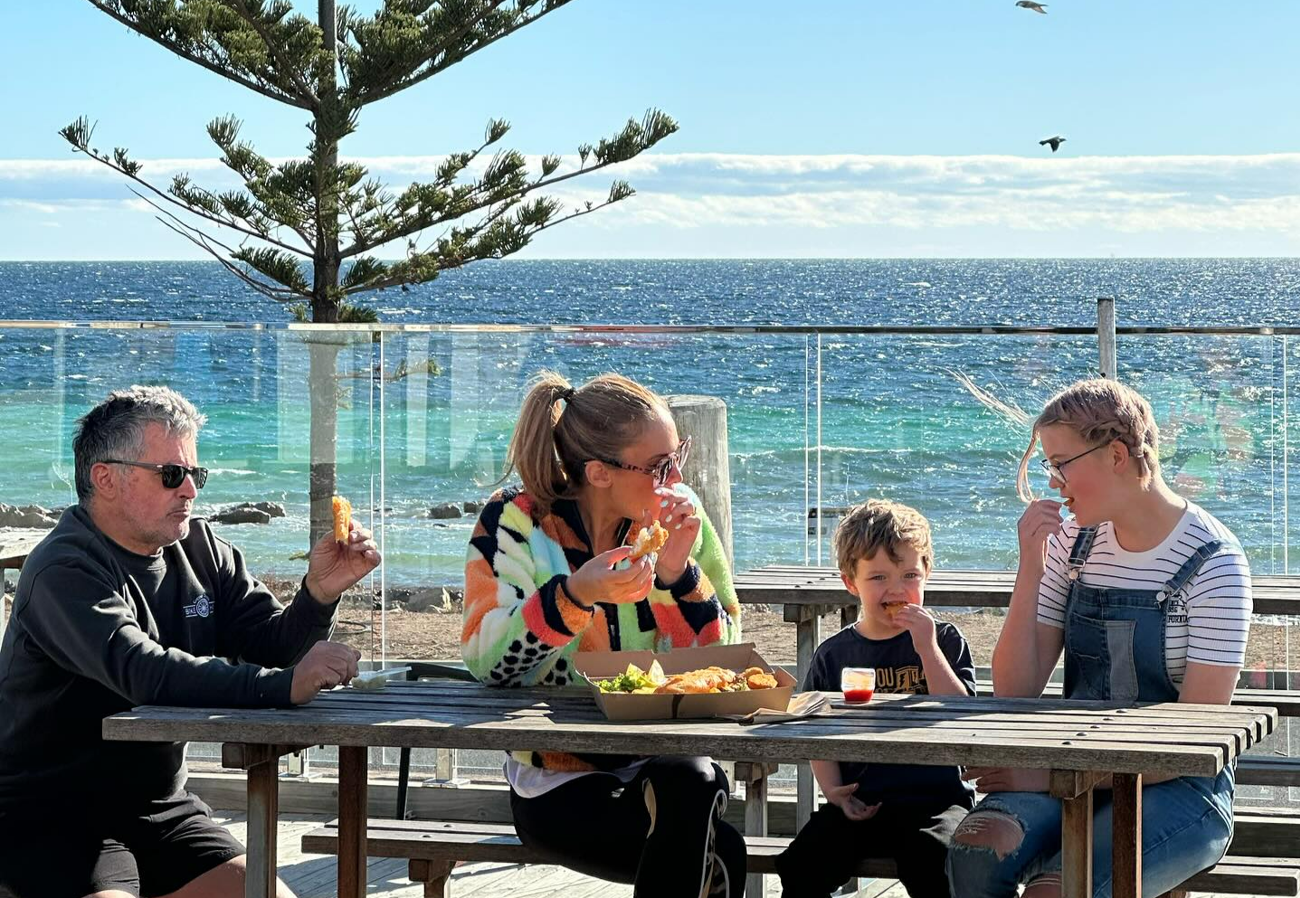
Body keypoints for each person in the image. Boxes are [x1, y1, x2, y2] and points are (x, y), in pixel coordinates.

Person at [0, 385, 379, 898]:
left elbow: (268, 645)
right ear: (105, 478)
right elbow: (145, 671)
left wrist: (317, 595)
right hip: (51, 811)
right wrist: (282, 686)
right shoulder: (64, 569)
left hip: (159, 807)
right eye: (172, 475)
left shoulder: (202, 549)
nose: (191, 491)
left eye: (194, 475)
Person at [948, 378, 1252, 898]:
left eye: (1061, 463)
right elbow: (1015, 687)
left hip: (1178, 790)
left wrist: (1049, 777)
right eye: (1049, 465)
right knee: (975, 849)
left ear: (1115, 454)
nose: (1054, 483)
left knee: (1058, 890)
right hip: (1071, 765)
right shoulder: (1074, 542)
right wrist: (1030, 566)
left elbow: (1191, 745)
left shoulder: (1214, 565)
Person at [461, 371, 744, 898]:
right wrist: (573, 596)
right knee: (720, 849)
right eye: (660, 465)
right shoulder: (516, 522)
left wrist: (679, 575)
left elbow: (726, 663)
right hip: (558, 781)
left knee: (698, 790)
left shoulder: (681, 519)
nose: (676, 475)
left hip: (662, 765)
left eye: (678, 453)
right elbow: (486, 660)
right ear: (598, 472)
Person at [775, 499, 976, 898]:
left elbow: (962, 715)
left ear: (927, 574)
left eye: (909, 575)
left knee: (932, 857)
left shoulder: (945, 640)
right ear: (851, 582)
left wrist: (927, 647)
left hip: (937, 800)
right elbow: (818, 729)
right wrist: (833, 792)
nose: (897, 589)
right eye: (879, 577)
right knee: (802, 862)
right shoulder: (835, 654)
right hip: (864, 801)